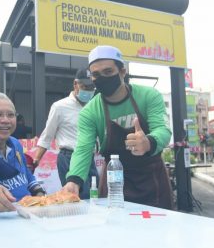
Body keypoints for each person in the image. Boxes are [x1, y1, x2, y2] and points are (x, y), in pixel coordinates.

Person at [63, 45, 174, 209]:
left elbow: (163, 130)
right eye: (96, 75)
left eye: (108, 72)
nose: (102, 78)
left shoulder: (149, 96)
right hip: (114, 183)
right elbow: (83, 149)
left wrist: (148, 142)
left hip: (152, 181)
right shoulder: (90, 112)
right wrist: (74, 180)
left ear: (122, 72)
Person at [33, 68, 99, 199]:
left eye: (92, 87)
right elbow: (47, 135)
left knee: (94, 195)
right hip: (68, 157)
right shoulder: (60, 107)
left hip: (88, 157)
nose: (88, 91)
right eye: (84, 86)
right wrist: (36, 160)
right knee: (74, 196)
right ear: (75, 84)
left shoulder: (94, 106)